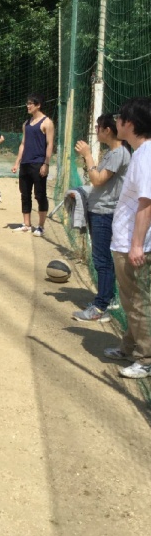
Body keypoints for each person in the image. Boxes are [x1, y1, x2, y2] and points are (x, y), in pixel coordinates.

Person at [103, 98, 151, 379]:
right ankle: (129, 347)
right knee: (130, 300)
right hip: (125, 240)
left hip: (133, 244)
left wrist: (136, 245)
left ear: (130, 124)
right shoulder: (140, 153)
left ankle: (145, 359)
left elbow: (147, 202)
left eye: (119, 118)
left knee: (137, 302)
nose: (116, 123)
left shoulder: (145, 156)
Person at [72, 114, 130, 322]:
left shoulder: (119, 153)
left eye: (98, 127)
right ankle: (108, 297)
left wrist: (88, 155)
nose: (96, 130)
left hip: (105, 213)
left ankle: (100, 308)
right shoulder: (112, 152)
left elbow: (97, 180)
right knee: (104, 259)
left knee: (102, 261)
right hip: (100, 210)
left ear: (108, 130)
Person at [11, 93, 55, 236]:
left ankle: (41, 226)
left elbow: (50, 144)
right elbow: (23, 144)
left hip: (38, 163)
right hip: (25, 163)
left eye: (30, 103)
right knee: (25, 194)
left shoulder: (47, 122)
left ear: (38, 105)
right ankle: (27, 224)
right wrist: (17, 162)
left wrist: (46, 163)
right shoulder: (26, 124)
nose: (28, 106)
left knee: (40, 195)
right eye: (27, 103)